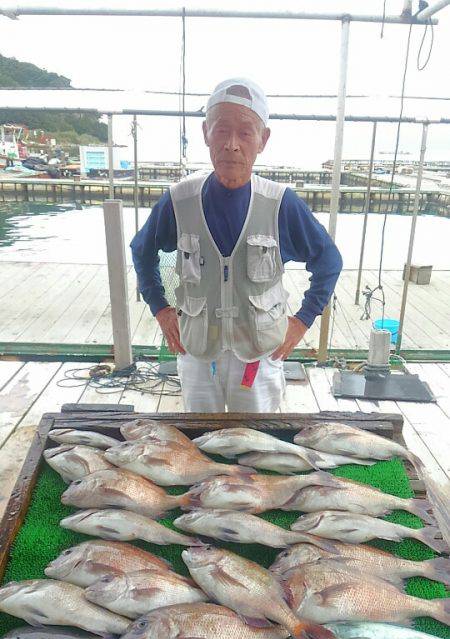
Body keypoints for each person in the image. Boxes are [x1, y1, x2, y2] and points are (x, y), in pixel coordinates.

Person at [131, 78, 342, 412]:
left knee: (256, 443)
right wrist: (160, 308)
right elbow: (141, 251)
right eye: (221, 130)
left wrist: (302, 320)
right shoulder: (178, 200)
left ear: (263, 140)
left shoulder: (281, 204)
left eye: (246, 132)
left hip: (259, 355)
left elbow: (329, 261)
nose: (232, 144)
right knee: (202, 443)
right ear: (205, 133)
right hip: (197, 352)